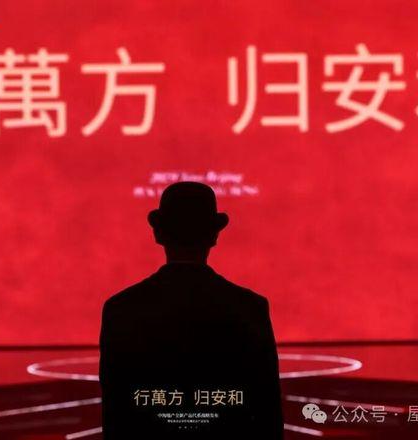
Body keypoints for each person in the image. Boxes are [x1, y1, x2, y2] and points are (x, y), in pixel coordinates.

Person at [99, 181, 283, 439]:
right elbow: (267, 411)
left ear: (158, 234)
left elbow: (116, 410)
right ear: (214, 236)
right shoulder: (250, 308)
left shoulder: (120, 309)